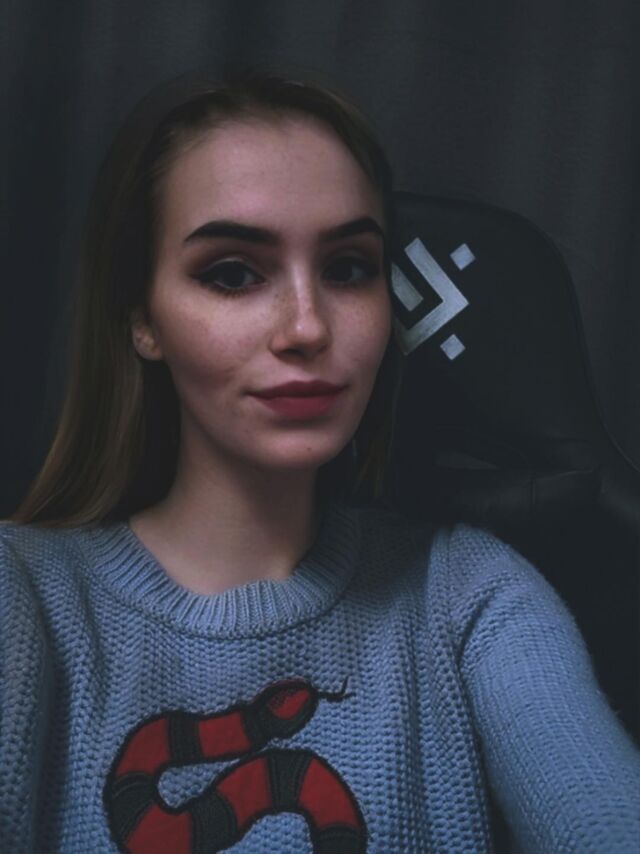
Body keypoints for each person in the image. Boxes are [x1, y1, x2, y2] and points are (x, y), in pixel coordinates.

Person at [1, 68, 638, 854]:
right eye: (233, 274)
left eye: (348, 269)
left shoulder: (472, 598)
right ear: (144, 320)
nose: (307, 327)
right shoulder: (23, 595)